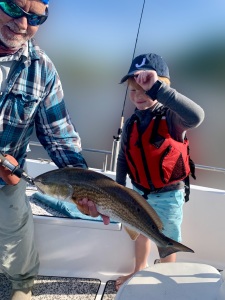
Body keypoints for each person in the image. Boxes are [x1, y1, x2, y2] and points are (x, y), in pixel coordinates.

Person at [0, 1, 88, 299]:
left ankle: (22, 283)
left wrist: (84, 187)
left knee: (14, 235)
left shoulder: (42, 69)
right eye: (13, 8)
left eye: (36, 17)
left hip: (6, 177)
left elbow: (58, 134)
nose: (23, 23)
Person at [113, 52, 205, 290]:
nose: (138, 95)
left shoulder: (174, 119)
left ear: (160, 88)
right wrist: (119, 188)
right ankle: (138, 270)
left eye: (145, 89)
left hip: (168, 195)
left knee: (166, 241)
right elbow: (123, 157)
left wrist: (157, 89)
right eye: (133, 90)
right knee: (141, 232)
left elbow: (197, 116)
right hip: (137, 192)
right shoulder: (132, 122)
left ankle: (163, 281)